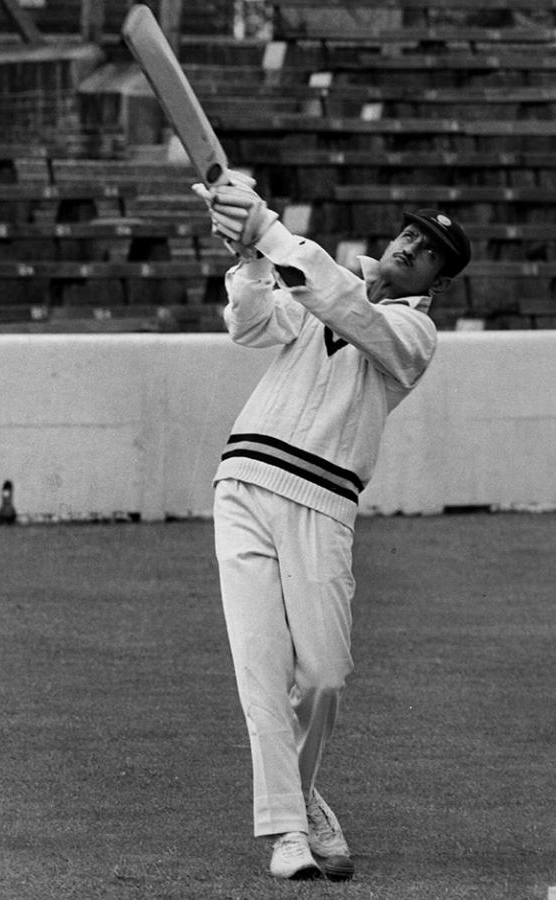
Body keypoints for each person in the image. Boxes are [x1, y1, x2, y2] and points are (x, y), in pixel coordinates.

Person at [192, 172, 471, 882]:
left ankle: (302, 792)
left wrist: (270, 231)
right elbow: (250, 325)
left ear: (439, 279)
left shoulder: (412, 333)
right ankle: (288, 833)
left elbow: (348, 309)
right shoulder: (321, 286)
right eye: (410, 233)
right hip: (244, 483)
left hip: (321, 500)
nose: (412, 246)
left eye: (430, 249)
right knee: (261, 671)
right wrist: (251, 255)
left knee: (322, 677)